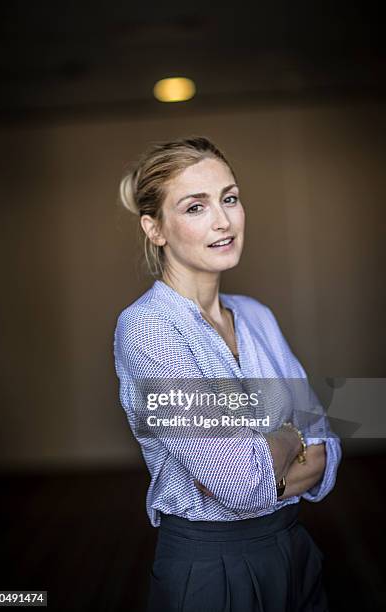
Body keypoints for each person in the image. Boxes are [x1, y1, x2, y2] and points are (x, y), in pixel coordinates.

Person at [113, 136, 342, 612]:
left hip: (294, 549)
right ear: (155, 229)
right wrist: (289, 440)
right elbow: (237, 483)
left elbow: (327, 443)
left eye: (230, 198)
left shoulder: (256, 315)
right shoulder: (147, 328)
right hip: (210, 565)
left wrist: (267, 452)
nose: (223, 221)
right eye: (195, 207)